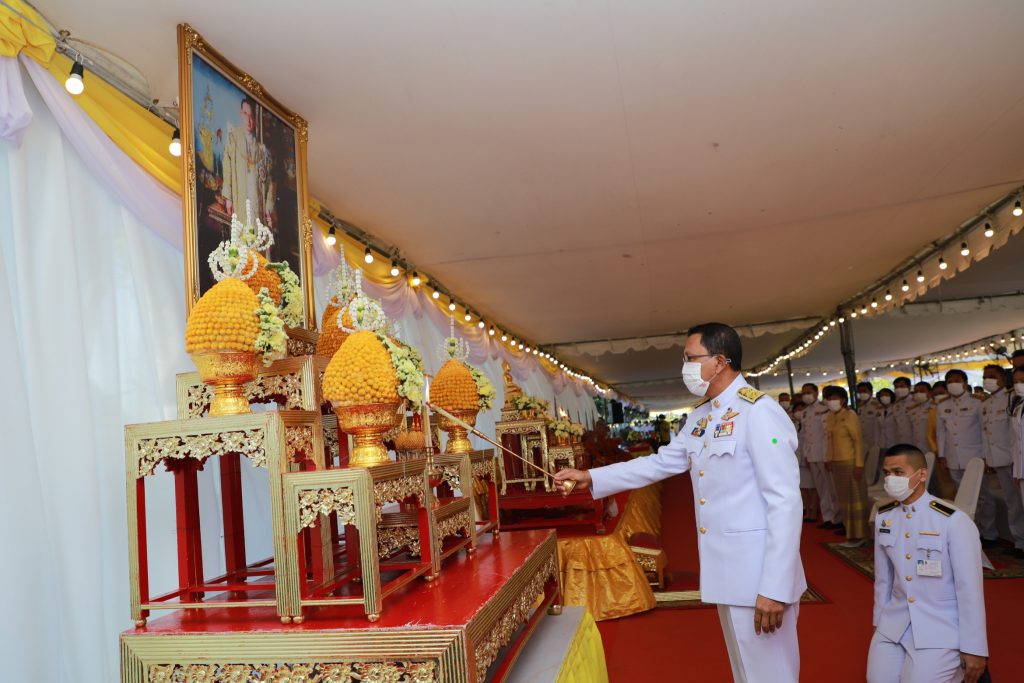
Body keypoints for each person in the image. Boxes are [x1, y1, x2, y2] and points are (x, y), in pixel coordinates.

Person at [554, 323, 806, 682]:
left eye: (691, 358)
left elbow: (785, 501)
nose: (685, 367)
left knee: (770, 676)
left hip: (759, 578)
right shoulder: (702, 416)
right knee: (746, 674)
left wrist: (775, 587)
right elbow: (659, 464)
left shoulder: (759, 412)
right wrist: (592, 477)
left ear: (720, 361)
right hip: (729, 575)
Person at [866, 444, 988, 683]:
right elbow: (883, 580)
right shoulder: (884, 516)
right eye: (887, 473)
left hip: (939, 626)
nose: (890, 479)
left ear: (921, 474)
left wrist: (974, 647)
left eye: (898, 472)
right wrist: (878, 623)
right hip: (894, 623)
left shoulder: (952, 520)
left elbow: (970, 589)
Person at [935, 369, 998, 547]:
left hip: (975, 456)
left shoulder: (977, 402)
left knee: (983, 496)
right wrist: (942, 455)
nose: (953, 384)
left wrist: (986, 456)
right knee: (962, 497)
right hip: (953, 458)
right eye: (949, 381)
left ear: (964, 383)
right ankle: (971, 532)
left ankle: (989, 534)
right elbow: (940, 433)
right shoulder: (942, 405)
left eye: (956, 380)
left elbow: (984, 431)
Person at [980, 364, 1024, 557]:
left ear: (1002, 379)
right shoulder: (986, 404)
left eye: (992, 376)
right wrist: (988, 458)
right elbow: (986, 434)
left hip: (1014, 459)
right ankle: (1019, 542)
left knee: (1018, 503)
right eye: (985, 376)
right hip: (1000, 459)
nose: (987, 380)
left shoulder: (1011, 398)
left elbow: (1015, 435)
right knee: (1013, 503)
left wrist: (1016, 461)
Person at [824, 385, 868, 546]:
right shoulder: (830, 417)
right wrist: (829, 459)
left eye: (835, 398)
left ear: (843, 400)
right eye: (829, 398)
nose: (832, 401)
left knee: (855, 498)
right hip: (837, 463)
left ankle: (861, 535)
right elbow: (829, 440)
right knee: (843, 500)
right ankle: (850, 533)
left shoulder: (850, 415)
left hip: (850, 462)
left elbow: (858, 441)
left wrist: (859, 465)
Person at [222, 96, 275, 227]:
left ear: (256, 119)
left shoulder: (261, 148)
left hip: (256, 202)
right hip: (240, 198)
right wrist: (228, 198)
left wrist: (268, 206)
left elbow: (270, 181)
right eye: (246, 114)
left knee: (256, 233)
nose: (249, 120)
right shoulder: (233, 138)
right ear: (241, 113)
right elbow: (227, 168)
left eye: (252, 116)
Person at [802, 383, 842, 532]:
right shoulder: (805, 412)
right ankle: (827, 517)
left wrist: (827, 456)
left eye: (809, 392)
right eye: (804, 392)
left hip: (824, 455)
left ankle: (837, 518)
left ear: (816, 392)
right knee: (821, 489)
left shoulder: (824, 409)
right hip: (812, 455)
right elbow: (805, 436)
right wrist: (806, 454)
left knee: (831, 488)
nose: (806, 395)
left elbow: (827, 435)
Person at [908, 381, 932, 455]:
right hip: (916, 447)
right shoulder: (912, 409)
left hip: (931, 447)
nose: (918, 394)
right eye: (916, 392)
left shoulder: (936, 407)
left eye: (922, 391)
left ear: (930, 393)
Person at [891, 377, 915, 445]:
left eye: (901, 386)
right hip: (899, 442)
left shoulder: (916, 403)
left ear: (909, 387)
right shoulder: (895, 405)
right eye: (896, 387)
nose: (899, 389)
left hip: (914, 442)